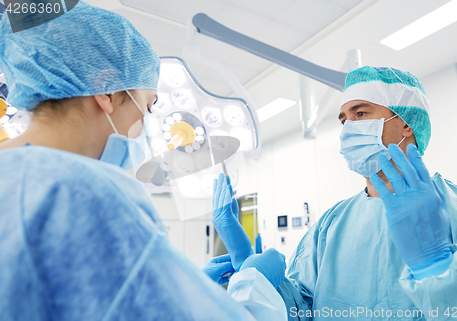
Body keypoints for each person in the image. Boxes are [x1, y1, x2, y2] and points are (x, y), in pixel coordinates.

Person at [0, 2, 287, 320]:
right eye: (148, 107)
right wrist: (254, 287)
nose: (146, 128)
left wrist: (181, 289)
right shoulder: (84, 193)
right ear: (105, 91)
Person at [212, 67, 457, 320]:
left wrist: (436, 269)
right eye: (343, 120)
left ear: (406, 124)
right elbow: (303, 311)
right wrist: (259, 281)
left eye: (360, 113)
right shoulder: (331, 224)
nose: (348, 129)